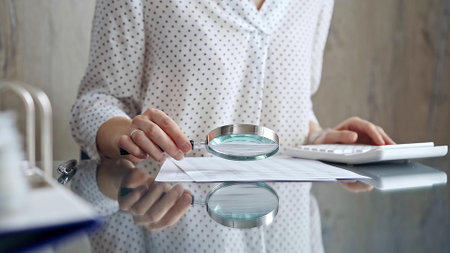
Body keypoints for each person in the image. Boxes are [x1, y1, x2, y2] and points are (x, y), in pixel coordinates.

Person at [70, 0, 394, 252]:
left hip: (291, 231)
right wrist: (126, 134)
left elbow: (295, 102)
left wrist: (320, 138)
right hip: (169, 219)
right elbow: (95, 101)